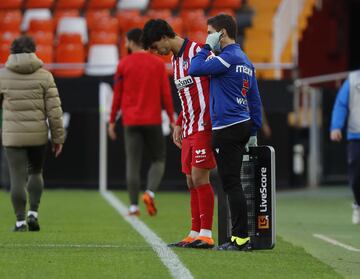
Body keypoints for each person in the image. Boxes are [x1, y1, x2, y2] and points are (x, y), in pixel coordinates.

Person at [188, 14, 262, 251]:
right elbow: (255, 100)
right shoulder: (246, 61)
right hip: (242, 125)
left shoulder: (226, 59)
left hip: (227, 128)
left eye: (210, 32)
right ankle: (239, 237)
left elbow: (195, 68)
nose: (206, 37)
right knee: (234, 183)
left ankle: (240, 239)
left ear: (221, 33)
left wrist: (207, 46)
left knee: (231, 184)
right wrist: (254, 130)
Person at [142, 19, 217, 248]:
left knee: (199, 177)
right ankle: (194, 232)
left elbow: (218, 83)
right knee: (190, 180)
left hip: (205, 125)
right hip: (189, 126)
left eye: (155, 46)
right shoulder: (175, 61)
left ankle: (206, 233)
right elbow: (186, 96)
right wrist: (179, 122)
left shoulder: (198, 52)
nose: (156, 52)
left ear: (165, 37)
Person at [0, 35, 65, 232]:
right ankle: (33, 213)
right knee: (36, 172)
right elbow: (54, 112)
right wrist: (58, 138)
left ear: (12, 52)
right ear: (33, 50)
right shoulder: (45, 76)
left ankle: (20, 222)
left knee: (17, 179)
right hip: (37, 135)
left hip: (13, 136)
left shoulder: (2, 76)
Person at [108, 28, 175, 216]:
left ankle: (133, 206)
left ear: (130, 42)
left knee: (133, 163)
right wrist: (171, 118)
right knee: (159, 159)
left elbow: (117, 96)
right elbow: (166, 94)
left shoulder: (123, 64)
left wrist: (112, 120)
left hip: (131, 120)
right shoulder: (157, 64)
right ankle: (150, 192)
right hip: (153, 119)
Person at [330, 72, 360, 224]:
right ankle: (358, 203)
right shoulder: (353, 79)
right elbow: (341, 104)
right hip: (356, 135)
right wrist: (336, 126)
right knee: (356, 175)